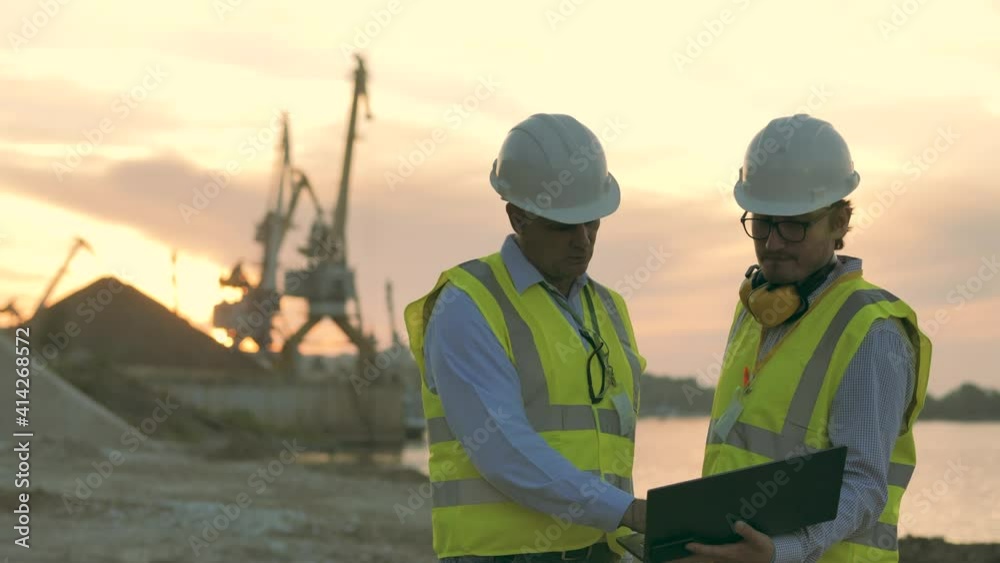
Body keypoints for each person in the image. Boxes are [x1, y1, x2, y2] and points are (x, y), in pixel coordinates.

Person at [685, 114, 932, 563]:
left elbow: (863, 484)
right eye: (762, 222)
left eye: (794, 225)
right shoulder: (756, 311)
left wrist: (780, 551)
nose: (773, 242)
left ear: (840, 221)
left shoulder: (872, 331)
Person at [404, 113, 647, 563]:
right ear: (517, 214)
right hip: (498, 555)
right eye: (562, 226)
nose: (583, 241)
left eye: (592, 222)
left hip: (600, 549)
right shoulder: (469, 304)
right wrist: (629, 511)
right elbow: (500, 447)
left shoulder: (610, 309)